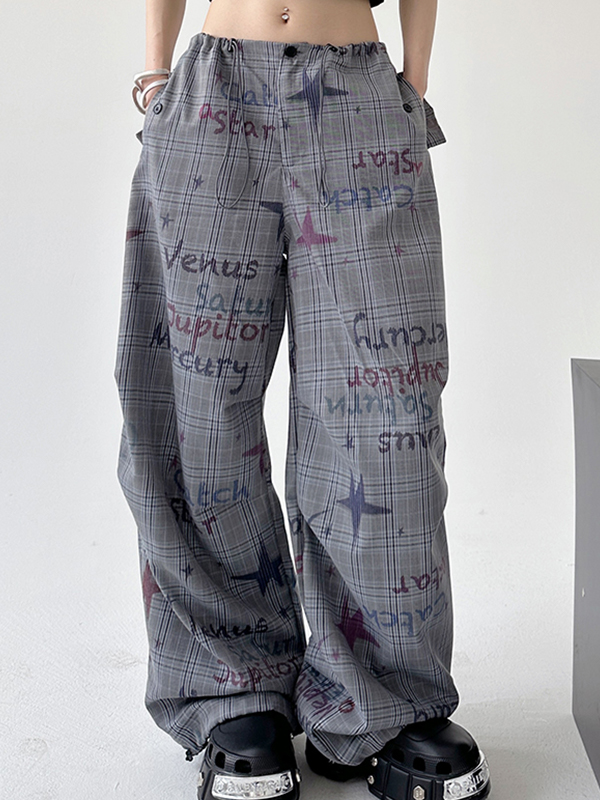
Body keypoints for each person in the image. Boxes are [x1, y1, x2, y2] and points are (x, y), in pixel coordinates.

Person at [115, 0, 492, 798]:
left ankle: (384, 696)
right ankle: (231, 687)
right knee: (196, 404)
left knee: (386, 408)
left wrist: (414, 82)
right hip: (212, 94)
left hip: (359, 95)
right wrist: (156, 76)